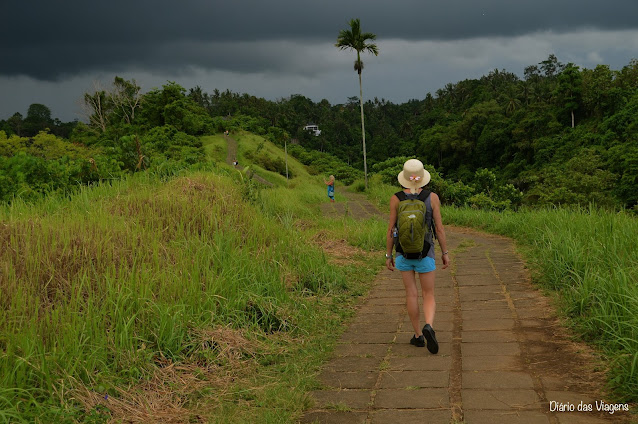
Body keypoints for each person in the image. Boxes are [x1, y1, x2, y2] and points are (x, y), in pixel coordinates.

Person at [385, 159, 449, 354]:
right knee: (428, 294)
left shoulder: (396, 199)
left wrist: (389, 255)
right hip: (426, 252)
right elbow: (438, 228)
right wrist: (445, 253)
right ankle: (428, 325)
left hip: (404, 253)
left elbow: (391, 229)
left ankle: (418, 336)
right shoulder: (432, 198)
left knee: (411, 294)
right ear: (422, 178)